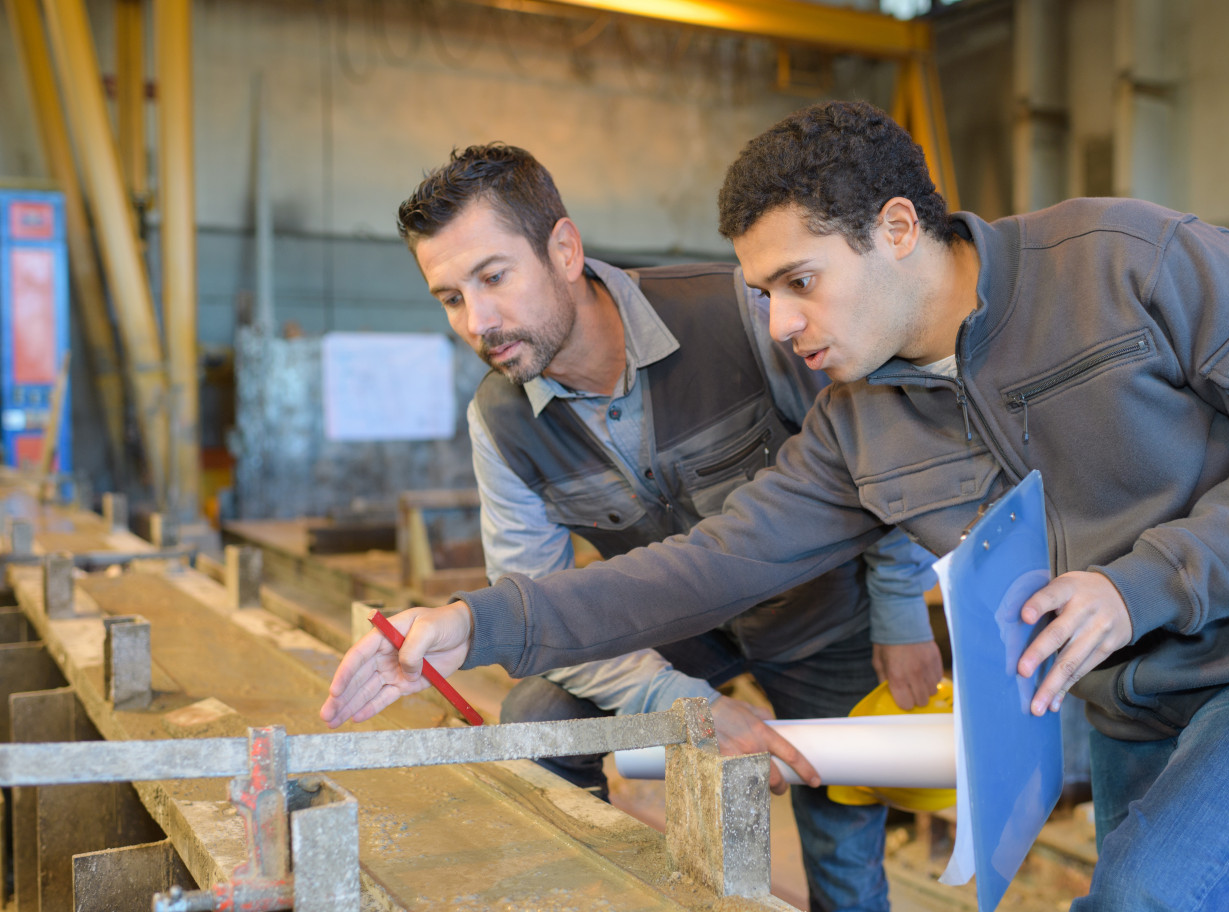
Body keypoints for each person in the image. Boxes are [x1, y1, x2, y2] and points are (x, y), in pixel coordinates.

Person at [323, 102, 1229, 910]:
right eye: (764, 290)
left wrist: (1140, 586)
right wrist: (472, 623)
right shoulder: (860, 423)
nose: (778, 325)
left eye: (800, 282)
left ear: (897, 228)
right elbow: (708, 565)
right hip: (1130, 694)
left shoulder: (1127, 264)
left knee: (1150, 894)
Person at [383, 142, 945, 912]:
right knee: (539, 720)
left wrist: (899, 607)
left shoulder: (741, 312)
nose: (478, 321)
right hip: (676, 628)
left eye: (493, 276)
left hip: (821, 613)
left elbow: (881, 443)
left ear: (565, 250)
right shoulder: (499, 420)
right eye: (450, 297)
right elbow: (537, 601)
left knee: (844, 859)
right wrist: (682, 705)